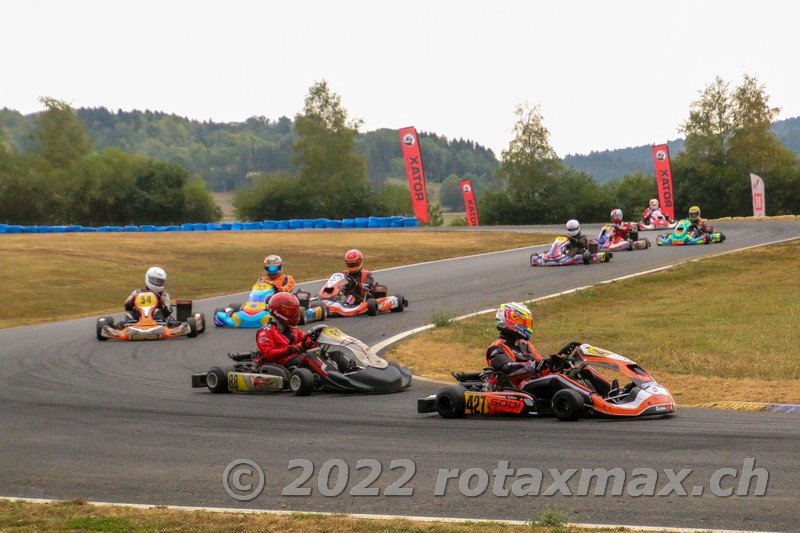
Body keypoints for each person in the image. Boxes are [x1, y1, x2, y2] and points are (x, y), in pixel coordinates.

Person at [485, 302, 563, 388]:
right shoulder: (497, 348)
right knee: (554, 381)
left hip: (534, 387)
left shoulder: (526, 345)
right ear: (509, 319)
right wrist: (541, 365)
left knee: (561, 378)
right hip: (515, 391)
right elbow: (509, 370)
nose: (527, 325)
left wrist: (558, 366)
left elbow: (544, 370)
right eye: (523, 321)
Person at [254, 292, 315, 369]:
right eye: (291, 312)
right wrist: (290, 350)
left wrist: (315, 342)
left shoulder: (293, 329)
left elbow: (306, 341)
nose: (294, 315)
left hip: (295, 361)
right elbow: (268, 354)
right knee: (309, 359)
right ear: (278, 311)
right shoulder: (265, 332)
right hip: (280, 365)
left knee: (322, 355)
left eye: (295, 311)